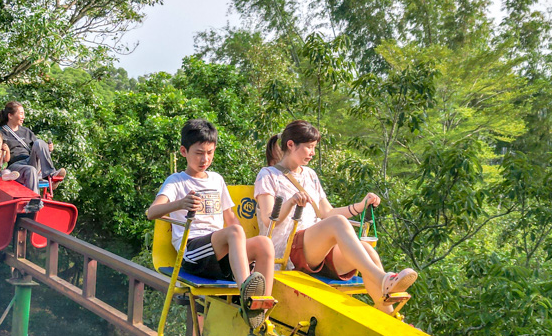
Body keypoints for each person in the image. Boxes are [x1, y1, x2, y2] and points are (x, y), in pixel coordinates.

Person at [253, 120, 417, 315]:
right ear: (291, 145)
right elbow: (267, 219)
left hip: (313, 250)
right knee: (338, 223)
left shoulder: (310, 175)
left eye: (314, 147)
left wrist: (360, 206)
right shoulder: (268, 175)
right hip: (285, 251)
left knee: (368, 251)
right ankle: (383, 279)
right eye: (309, 147)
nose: (313, 153)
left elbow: (327, 213)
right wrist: (290, 202)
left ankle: (390, 316)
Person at [147, 119, 273, 305]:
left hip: (219, 253)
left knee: (264, 244)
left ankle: (260, 305)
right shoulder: (176, 181)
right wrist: (180, 203)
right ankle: (247, 297)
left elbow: (230, 218)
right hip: (192, 254)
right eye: (198, 153)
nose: (204, 159)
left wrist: (241, 250)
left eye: (209, 152)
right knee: (235, 232)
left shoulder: (216, 179)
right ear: (184, 151)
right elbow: (152, 212)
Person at [0, 101, 66, 192]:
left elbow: (38, 149)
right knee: (31, 170)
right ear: (10, 116)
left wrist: (47, 149)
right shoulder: (0, 132)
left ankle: (51, 175)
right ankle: (34, 201)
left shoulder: (26, 131)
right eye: (21, 114)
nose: (23, 117)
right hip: (14, 166)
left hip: (30, 160)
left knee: (39, 143)